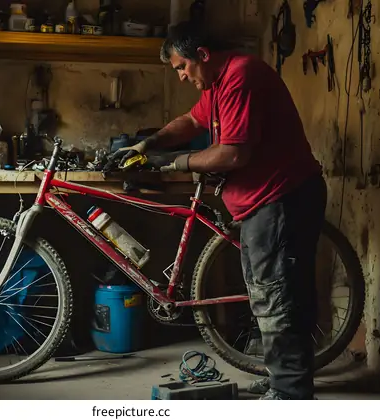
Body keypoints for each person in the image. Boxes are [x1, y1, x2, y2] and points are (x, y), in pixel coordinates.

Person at [113, 22, 327, 400]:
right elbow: (192, 121)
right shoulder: (217, 84)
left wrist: (175, 163)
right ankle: (285, 377)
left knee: (276, 295)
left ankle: (290, 394)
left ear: (203, 56)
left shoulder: (241, 76)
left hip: (281, 198)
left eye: (182, 67)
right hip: (265, 200)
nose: (181, 76)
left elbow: (232, 153)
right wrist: (146, 145)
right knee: (272, 292)